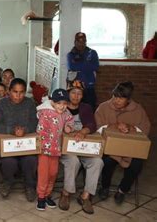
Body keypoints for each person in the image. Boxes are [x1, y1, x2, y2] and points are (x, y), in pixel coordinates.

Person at [96, 82, 150, 204]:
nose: (116, 100)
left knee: (137, 164)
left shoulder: (138, 109)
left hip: (131, 149)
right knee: (107, 161)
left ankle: (122, 190)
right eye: (115, 96)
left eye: (121, 98)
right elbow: (97, 127)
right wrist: (113, 126)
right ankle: (104, 187)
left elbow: (145, 129)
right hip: (110, 147)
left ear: (128, 99)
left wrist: (130, 127)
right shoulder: (104, 107)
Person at [59, 80, 103, 214]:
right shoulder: (61, 106)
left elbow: (92, 124)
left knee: (97, 162)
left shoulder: (86, 108)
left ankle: (85, 196)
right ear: (68, 93)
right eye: (73, 93)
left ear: (82, 96)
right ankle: (66, 193)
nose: (76, 96)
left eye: (79, 94)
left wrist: (83, 131)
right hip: (65, 147)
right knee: (73, 160)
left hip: (82, 146)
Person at [0, 78, 39, 202]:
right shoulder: (1, 104)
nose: (18, 96)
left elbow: (35, 123)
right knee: (9, 162)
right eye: (15, 92)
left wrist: (25, 130)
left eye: (21, 92)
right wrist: (12, 131)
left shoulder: (30, 103)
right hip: (8, 144)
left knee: (31, 159)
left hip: (25, 143)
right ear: (8, 91)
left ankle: (30, 186)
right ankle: (8, 182)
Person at [36, 89, 74, 211]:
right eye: (59, 103)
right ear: (52, 102)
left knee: (53, 173)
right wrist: (43, 145)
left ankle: (48, 195)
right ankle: (41, 197)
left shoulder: (66, 113)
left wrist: (68, 127)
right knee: (44, 174)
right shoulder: (45, 112)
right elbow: (40, 130)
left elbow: (70, 120)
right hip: (44, 150)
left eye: (64, 103)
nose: (62, 106)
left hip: (56, 150)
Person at [67, 32, 99, 110]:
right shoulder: (71, 54)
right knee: (75, 109)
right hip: (75, 86)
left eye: (83, 41)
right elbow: (72, 67)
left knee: (90, 109)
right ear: (75, 42)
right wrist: (87, 64)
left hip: (89, 86)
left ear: (85, 42)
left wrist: (79, 65)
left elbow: (95, 66)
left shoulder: (92, 53)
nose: (81, 44)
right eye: (79, 41)